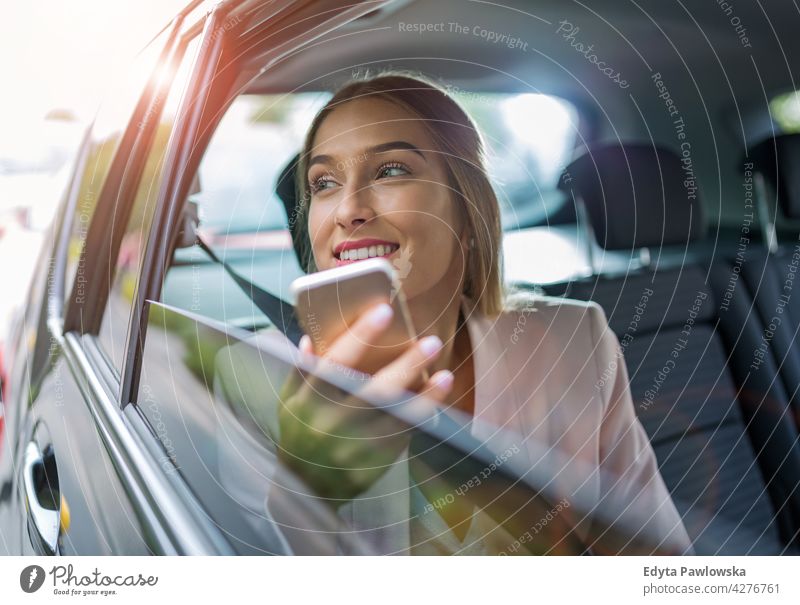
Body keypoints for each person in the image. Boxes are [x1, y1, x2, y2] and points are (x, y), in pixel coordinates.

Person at [214, 72, 693, 555]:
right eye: (324, 182)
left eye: (391, 170)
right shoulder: (249, 378)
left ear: (468, 211)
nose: (349, 209)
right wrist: (302, 491)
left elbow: (657, 558)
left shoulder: (577, 339)